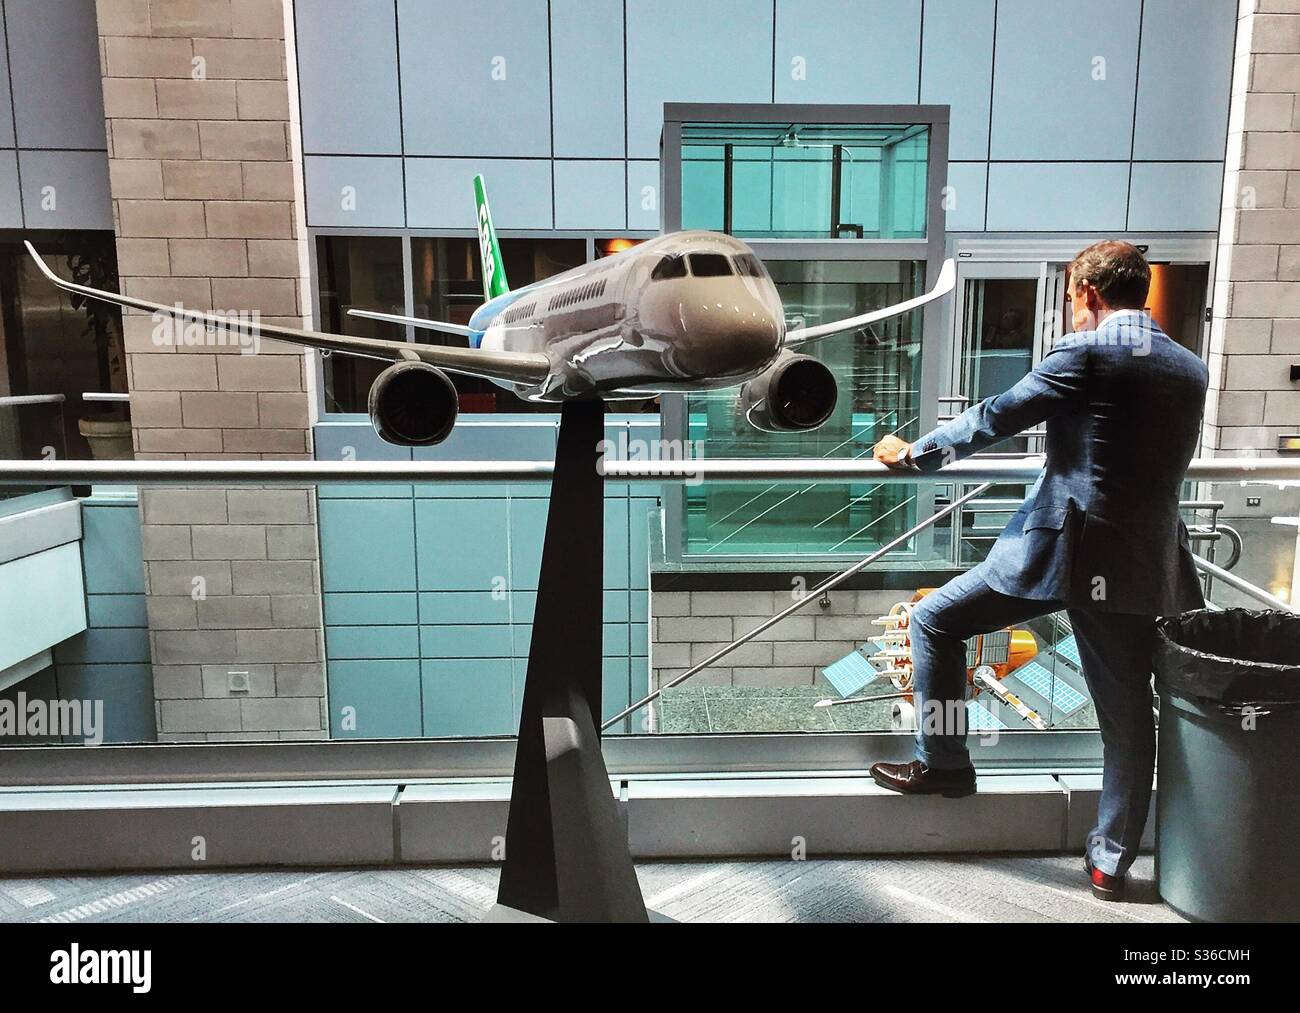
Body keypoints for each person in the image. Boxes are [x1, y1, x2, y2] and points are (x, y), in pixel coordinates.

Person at [870, 241, 1209, 900]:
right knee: (1130, 718)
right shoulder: (1189, 367)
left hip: (1064, 549)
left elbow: (998, 416)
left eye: (1069, 298)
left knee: (937, 619)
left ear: (1085, 293)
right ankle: (1111, 862)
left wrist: (918, 454)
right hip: (1146, 555)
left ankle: (944, 763)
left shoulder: (1085, 353)